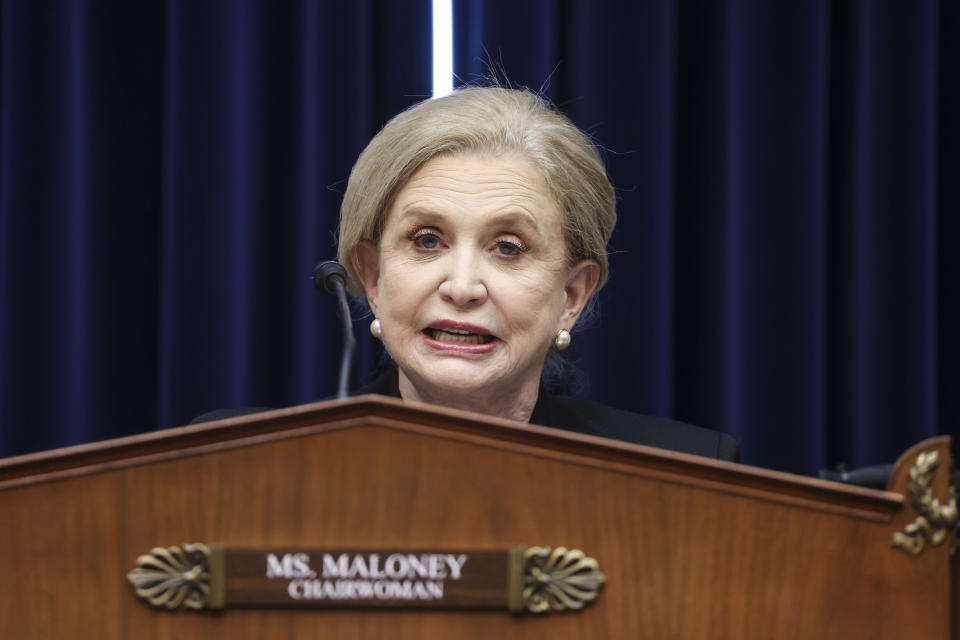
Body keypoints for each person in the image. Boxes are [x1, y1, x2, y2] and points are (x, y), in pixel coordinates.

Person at [338, 87, 739, 462]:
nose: (462, 288)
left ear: (571, 296)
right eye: (427, 241)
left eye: (508, 248)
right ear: (374, 278)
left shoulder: (685, 474)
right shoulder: (281, 461)